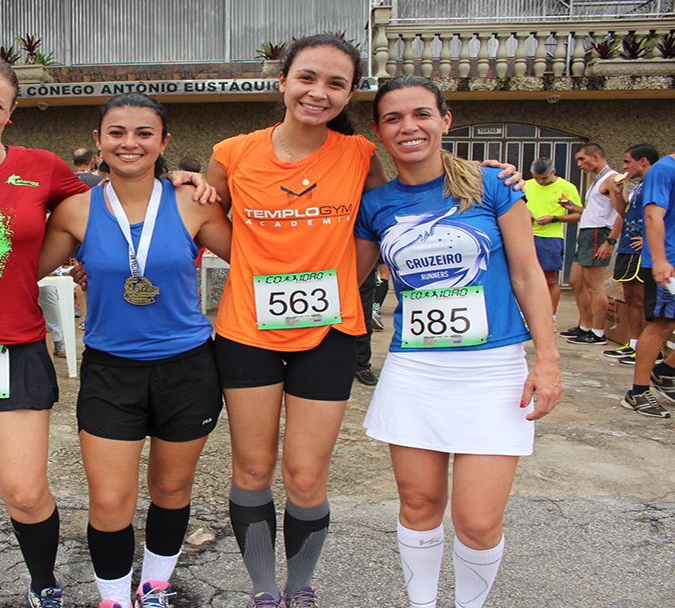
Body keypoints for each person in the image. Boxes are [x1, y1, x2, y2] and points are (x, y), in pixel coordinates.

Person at [0, 55, 215, 608]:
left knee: (26, 490)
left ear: (11, 113)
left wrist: (183, 178)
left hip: (11, 342)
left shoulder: (41, 168)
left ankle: (44, 586)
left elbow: (113, 199)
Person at [355, 74, 561, 608]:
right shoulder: (375, 204)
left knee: (477, 518)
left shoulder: (494, 185)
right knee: (419, 504)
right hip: (416, 371)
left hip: (492, 370)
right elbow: (342, 276)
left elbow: (526, 274)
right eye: (394, 118)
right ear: (379, 131)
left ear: (445, 120)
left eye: (422, 113)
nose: (409, 127)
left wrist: (549, 359)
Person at [205, 34, 388, 607]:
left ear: (350, 93)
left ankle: (300, 587)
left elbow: (386, 223)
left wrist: (340, 281)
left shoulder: (360, 156)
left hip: (329, 336)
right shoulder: (232, 152)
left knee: (306, 476)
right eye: (307, 77)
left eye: (336, 83)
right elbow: (204, 222)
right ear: (282, 80)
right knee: (254, 466)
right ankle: (264, 591)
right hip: (246, 334)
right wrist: (186, 185)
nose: (319, 92)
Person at [38, 92, 232, 608]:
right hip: (111, 371)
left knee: (171, 491)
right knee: (109, 501)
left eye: (144, 133)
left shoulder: (193, 202)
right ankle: (114, 598)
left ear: (163, 142)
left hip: (188, 368)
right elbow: (21, 270)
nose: (130, 143)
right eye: (117, 132)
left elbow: (259, 258)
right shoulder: (75, 210)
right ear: (98, 142)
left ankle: (154, 587)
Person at [621, 148, 675, 419]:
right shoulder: (663, 170)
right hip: (668, 262)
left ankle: (665, 371)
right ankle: (638, 391)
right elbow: (653, 216)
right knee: (662, 323)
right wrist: (661, 260)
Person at [559, 143, 620, 345]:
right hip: (587, 233)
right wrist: (573, 207)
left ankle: (598, 332)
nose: (579, 164)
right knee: (576, 281)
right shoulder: (599, 179)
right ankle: (585, 326)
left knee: (595, 285)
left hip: (598, 233)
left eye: (581, 159)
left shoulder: (612, 179)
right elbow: (596, 211)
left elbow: (622, 212)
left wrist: (610, 240)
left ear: (595, 157)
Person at [606, 144, 660, 364]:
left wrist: (648, 240)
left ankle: (650, 350)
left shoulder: (656, 183)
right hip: (628, 246)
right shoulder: (638, 186)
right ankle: (635, 343)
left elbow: (661, 215)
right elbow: (624, 213)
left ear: (643, 161)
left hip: (642, 249)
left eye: (628, 161)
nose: (624, 166)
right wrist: (618, 194)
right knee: (630, 298)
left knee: (643, 299)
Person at [523, 157, 580, 323]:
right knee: (525, 277)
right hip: (526, 235)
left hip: (551, 238)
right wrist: (526, 213)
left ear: (553, 172)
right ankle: (527, 316)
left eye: (544, 178)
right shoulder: (525, 185)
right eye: (537, 178)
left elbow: (578, 214)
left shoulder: (567, 187)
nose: (540, 181)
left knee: (550, 280)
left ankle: (550, 316)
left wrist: (555, 218)